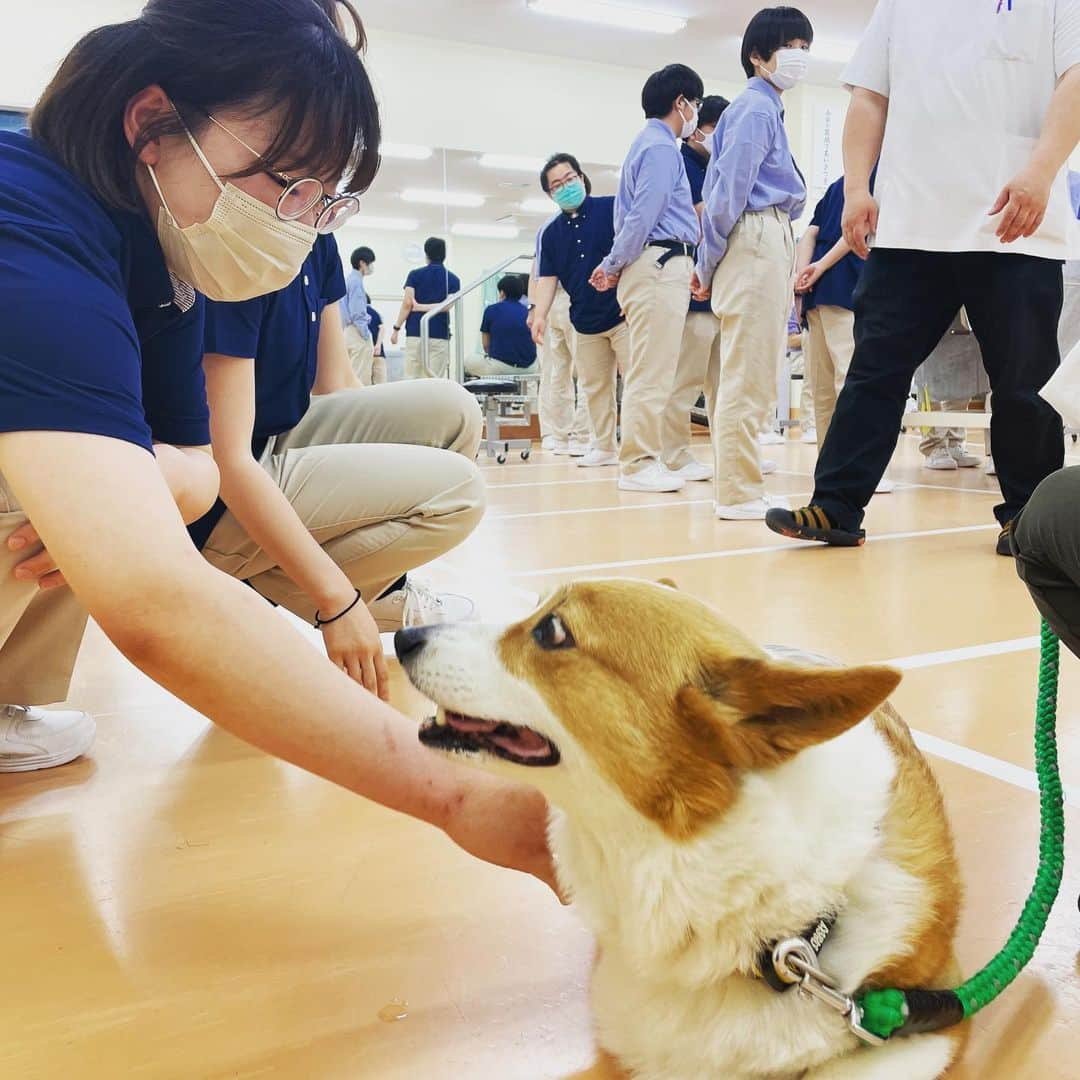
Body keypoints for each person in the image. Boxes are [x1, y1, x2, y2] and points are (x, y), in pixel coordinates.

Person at [0, 0, 555, 891]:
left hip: (212, 474)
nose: (300, 222)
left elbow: (192, 459)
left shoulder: (159, 249)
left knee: (92, 483)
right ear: (152, 123)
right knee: (52, 488)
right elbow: (151, 602)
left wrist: (124, 492)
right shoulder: (26, 225)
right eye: (284, 182)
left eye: (322, 198)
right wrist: (460, 799)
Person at [766, 0, 1080, 556]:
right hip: (910, 221)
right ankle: (836, 505)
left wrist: (1041, 170)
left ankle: (1028, 518)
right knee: (873, 372)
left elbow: (1076, 79)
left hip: (1013, 220)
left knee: (1023, 384)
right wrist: (858, 187)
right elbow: (869, 96)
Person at [196, 226, 481, 693]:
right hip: (216, 478)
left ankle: (374, 591)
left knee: (455, 411)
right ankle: (260, 593)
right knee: (459, 492)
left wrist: (383, 459)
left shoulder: (320, 241)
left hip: (277, 434)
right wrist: (337, 601)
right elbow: (226, 458)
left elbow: (335, 383)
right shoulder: (242, 244)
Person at [692, 7, 812, 520]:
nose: (799, 57)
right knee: (749, 373)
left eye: (805, 47)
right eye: (789, 46)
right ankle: (738, 493)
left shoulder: (763, 110)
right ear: (757, 56)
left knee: (745, 371)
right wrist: (707, 261)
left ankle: (737, 485)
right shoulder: (756, 109)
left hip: (763, 236)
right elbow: (726, 196)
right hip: (756, 235)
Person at [591, 64, 704, 494]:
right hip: (658, 263)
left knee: (650, 368)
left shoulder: (651, 145)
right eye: (694, 104)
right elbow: (644, 215)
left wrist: (617, 264)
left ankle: (643, 457)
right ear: (681, 103)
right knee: (651, 371)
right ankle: (638, 463)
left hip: (657, 263)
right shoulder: (660, 148)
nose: (695, 113)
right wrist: (615, 262)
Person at [531, 153, 628, 469]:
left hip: (623, 313)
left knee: (638, 384)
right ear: (550, 194)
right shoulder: (552, 233)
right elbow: (547, 279)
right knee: (595, 387)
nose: (566, 186)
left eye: (570, 179)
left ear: (581, 177)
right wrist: (540, 314)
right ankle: (603, 446)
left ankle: (646, 450)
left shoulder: (612, 208)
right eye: (557, 185)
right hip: (584, 319)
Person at [664, 94, 729, 483]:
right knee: (686, 379)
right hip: (693, 289)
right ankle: (674, 454)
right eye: (716, 130)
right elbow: (695, 217)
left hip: (721, 287)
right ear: (698, 131)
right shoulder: (680, 165)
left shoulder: (714, 169)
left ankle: (729, 452)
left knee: (724, 381)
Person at [533, 276, 590, 456]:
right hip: (573, 295)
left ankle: (560, 437)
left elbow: (538, 270)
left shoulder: (543, 247)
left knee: (557, 372)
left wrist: (535, 310)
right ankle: (582, 436)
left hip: (550, 301)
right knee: (586, 370)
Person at [391, 237, 461, 380]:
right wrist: (430, 307)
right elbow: (447, 305)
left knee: (411, 378)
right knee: (434, 380)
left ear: (426, 253)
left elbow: (407, 304)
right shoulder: (453, 279)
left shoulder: (415, 275)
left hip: (416, 333)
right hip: (439, 335)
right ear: (444, 254)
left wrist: (396, 329)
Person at [468, 274, 538, 377]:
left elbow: (486, 345)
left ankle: (491, 393)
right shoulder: (529, 312)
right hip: (530, 368)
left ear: (502, 293)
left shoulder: (491, 310)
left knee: (467, 362)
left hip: (500, 368)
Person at [342, 244, 377, 384]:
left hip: (347, 332)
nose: (372, 267)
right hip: (357, 332)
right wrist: (365, 333)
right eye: (371, 263)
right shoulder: (356, 282)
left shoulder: (347, 280)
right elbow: (357, 312)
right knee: (361, 375)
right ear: (362, 263)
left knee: (350, 373)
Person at [366, 302, 388, 384]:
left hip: (365, 353)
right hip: (378, 353)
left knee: (364, 384)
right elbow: (382, 328)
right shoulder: (375, 313)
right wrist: (378, 345)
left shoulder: (357, 313)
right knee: (380, 383)